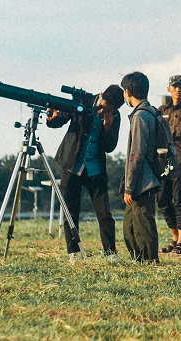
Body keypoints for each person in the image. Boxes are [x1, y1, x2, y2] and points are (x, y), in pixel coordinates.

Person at [46, 84, 124, 264]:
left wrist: (107, 126)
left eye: (108, 110)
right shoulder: (83, 101)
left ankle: (110, 252)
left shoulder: (115, 116)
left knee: (104, 211)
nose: (103, 111)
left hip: (95, 168)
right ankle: (73, 252)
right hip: (71, 163)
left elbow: (110, 147)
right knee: (70, 209)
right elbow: (59, 120)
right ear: (101, 94)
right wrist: (52, 118)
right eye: (103, 106)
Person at [120, 71, 160, 263]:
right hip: (144, 178)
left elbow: (136, 154)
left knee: (143, 224)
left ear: (128, 92)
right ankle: (139, 260)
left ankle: (150, 262)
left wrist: (129, 187)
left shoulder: (140, 116)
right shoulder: (149, 111)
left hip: (143, 181)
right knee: (130, 226)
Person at [157, 75, 181, 255]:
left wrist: (169, 131)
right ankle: (174, 237)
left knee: (179, 199)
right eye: (175, 86)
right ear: (169, 89)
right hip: (163, 159)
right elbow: (157, 130)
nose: (178, 89)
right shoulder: (161, 109)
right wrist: (175, 132)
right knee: (163, 199)